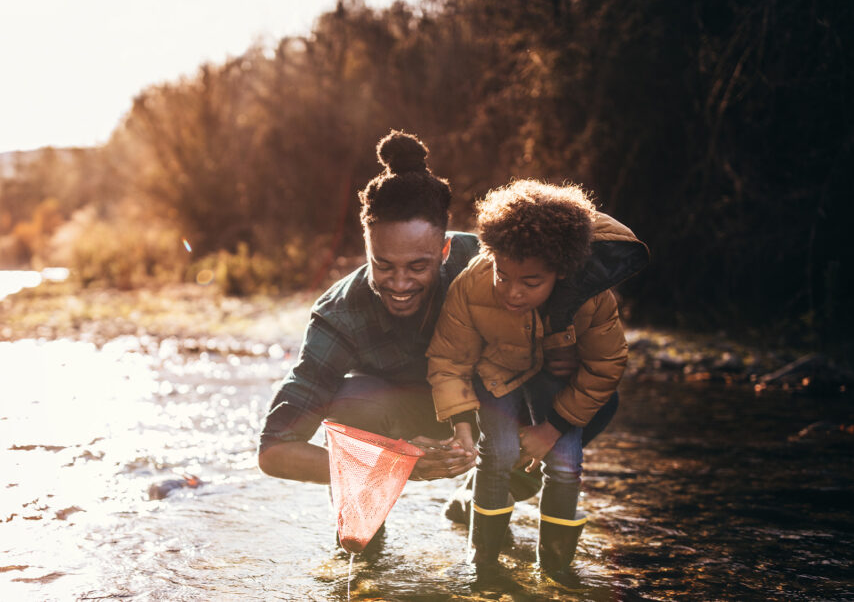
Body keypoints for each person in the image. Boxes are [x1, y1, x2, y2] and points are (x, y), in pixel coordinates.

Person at [256, 131, 619, 552]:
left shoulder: (490, 264)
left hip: (490, 402)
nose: (400, 283)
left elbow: (571, 273)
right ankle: (363, 535)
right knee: (351, 401)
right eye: (384, 265)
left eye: (417, 266)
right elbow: (275, 451)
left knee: (595, 400)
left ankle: (485, 494)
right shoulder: (338, 315)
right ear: (367, 246)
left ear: (446, 249)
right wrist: (398, 465)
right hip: (395, 420)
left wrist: (563, 346)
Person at [426, 179, 648, 584]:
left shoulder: (592, 298)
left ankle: (556, 571)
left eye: (530, 283)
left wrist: (553, 427)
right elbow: (448, 359)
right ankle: (484, 565)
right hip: (494, 377)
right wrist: (460, 424)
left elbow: (606, 365)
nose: (512, 292)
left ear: (561, 272)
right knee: (499, 453)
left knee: (566, 463)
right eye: (503, 275)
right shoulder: (471, 285)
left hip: (553, 381)